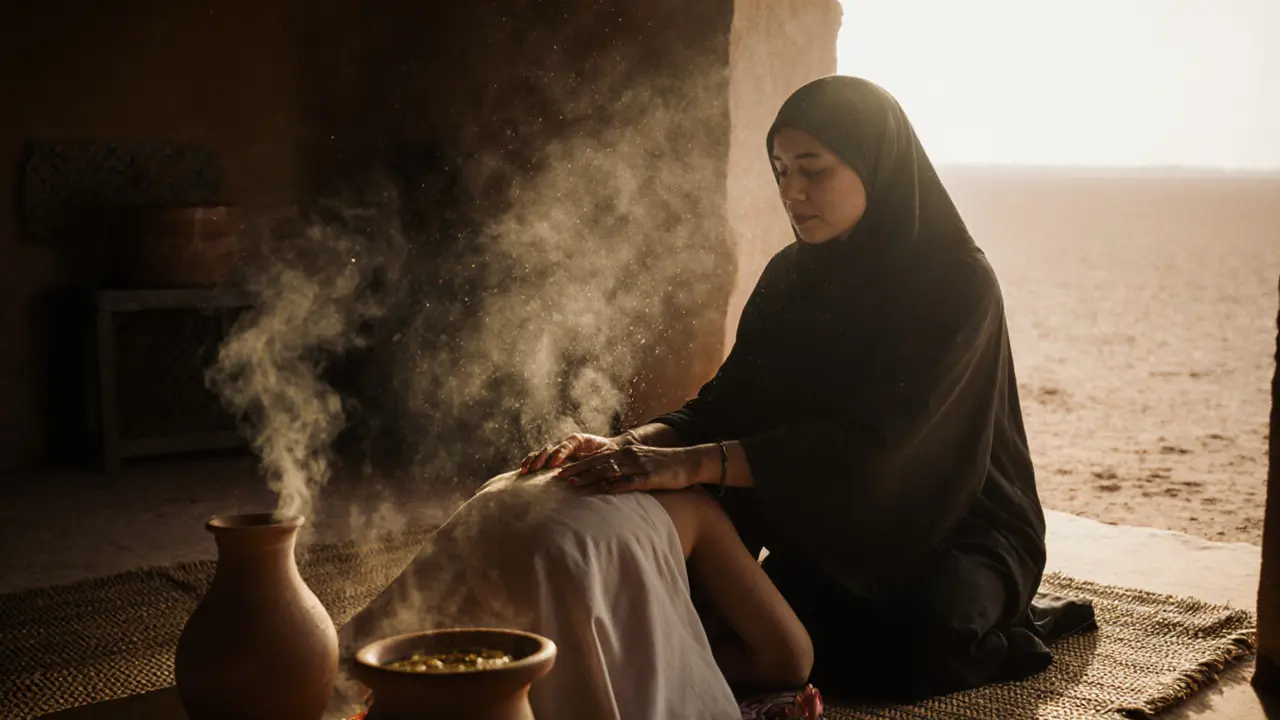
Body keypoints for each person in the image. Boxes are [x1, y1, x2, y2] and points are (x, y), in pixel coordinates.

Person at [523, 75, 1098, 702]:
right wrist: (624, 447)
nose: (792, 193)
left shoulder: (956, 283)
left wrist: (688, 465)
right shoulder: (792, 278)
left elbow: (882, 450)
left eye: (813, 170)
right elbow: (722, 408)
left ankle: (1013, 619)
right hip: (836, 519)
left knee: (917, 646)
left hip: (958, 519)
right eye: (780, 171)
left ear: (874, 164)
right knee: (748, 625)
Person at [340, 469, 817, 719]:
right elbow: (790, 657)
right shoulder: (699, 505)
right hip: (556, 542)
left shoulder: (617, 476)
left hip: (494, 504)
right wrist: (686, 653)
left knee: (357, 661)